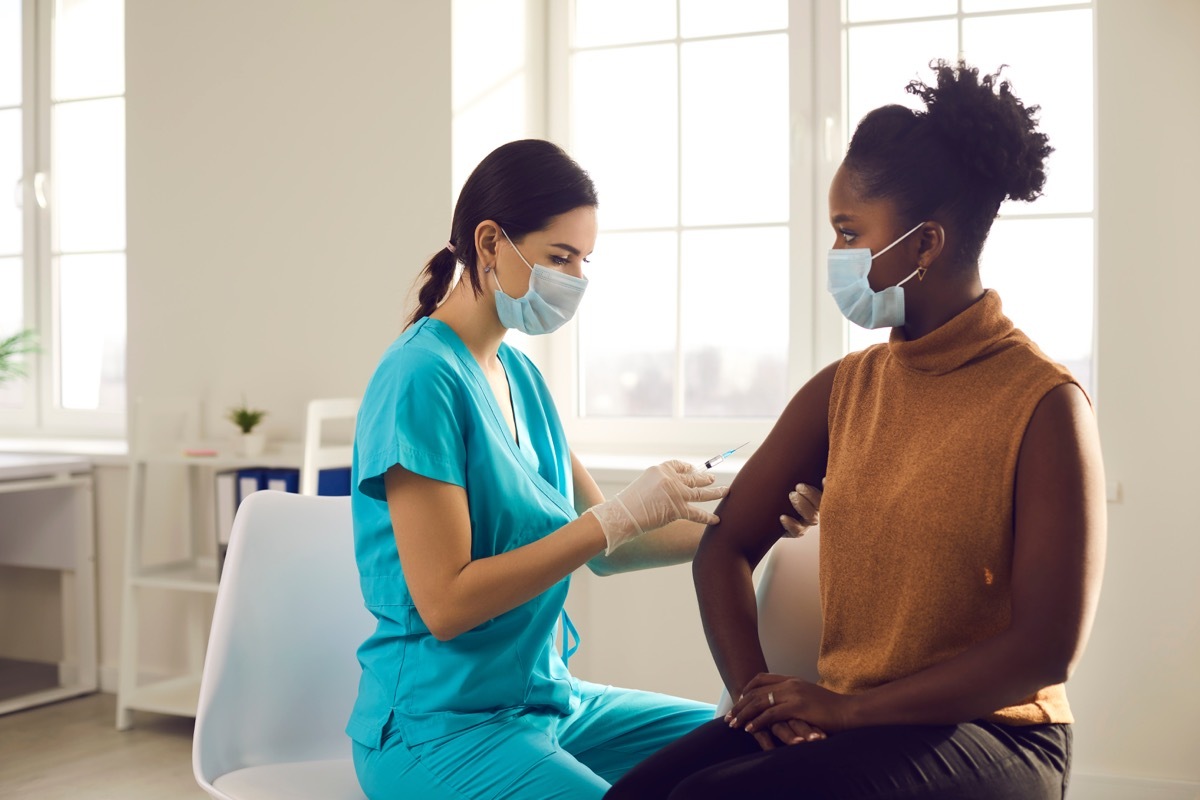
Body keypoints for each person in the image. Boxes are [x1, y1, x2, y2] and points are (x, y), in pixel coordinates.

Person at [607, 60, 1107, 799]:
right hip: (854, 720)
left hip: (998, 735)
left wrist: (849, 710)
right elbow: (725, 547)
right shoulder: (845, 391)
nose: (836, 256)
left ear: (925, 244)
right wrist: (759, 700)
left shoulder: (1043, 404)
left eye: (849, 233)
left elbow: (1046, 649)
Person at [346, 139, 735, 800]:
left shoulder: (520, 376)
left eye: (584, 260)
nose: (575, 279)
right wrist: (612, 517)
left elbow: (615, 548)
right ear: (491, 241)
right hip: (439, 727)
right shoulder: (419, 379)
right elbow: (446, 604)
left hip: (549, 703)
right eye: (560, 257)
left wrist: (756, 519)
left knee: (745, 749)